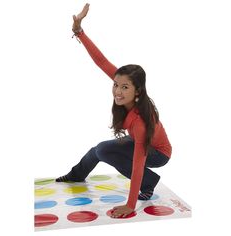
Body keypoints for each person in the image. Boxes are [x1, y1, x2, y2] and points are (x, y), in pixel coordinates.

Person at [56, 3, 172, 218]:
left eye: (124, 87)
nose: (117, 91)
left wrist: (130, 204)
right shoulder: (127, 91)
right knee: (99, 148)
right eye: (116, 84)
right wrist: (78, 31)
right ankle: (76, 175)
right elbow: (101, 61)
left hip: (158, 154)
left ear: (137, 90)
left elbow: (137, 164)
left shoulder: (141, 123)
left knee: (105, 152)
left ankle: (150, 182)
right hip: (141, 142)